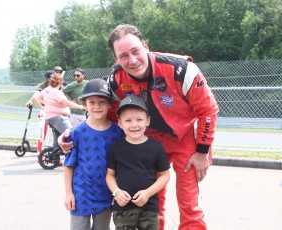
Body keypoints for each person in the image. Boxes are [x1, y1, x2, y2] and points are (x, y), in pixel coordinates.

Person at [59, 24, 219, 230]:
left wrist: (202, 151)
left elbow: (208, 110)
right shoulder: (116, 80)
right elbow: (103, 115)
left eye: (135, 51)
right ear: (116, 59)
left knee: (188, 200)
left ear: (145, 46)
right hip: (145, 142)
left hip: (183, 139)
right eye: (123, 56)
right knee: (152, 200)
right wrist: (71, 135)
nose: (132, 60)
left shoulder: (181, 70)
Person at [64, 79, 124, 230]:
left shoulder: (118, 133)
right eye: (92, 102)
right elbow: (68, 165)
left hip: (106, 194)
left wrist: (117, 191)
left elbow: (121, 165)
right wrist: (68, 193)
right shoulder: (76, 133)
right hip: (80, 195)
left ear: (110, 104)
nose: (97, 106)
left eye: (102, 102)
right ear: (84, 104)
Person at [106, 95, 170, 230]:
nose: (134, 125)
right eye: (128, 120)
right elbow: (110, 175)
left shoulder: (156, 147)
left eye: (139, 120)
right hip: (123, 207)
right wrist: (116, 192)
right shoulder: (115, 147)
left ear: (147, 121)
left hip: (149, 207)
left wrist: (148, 193)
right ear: (120, 123)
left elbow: (165, 175)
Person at [37, 72, 83, 151]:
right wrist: (81, 107)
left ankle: (53, 158)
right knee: (71, 134)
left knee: (57, 138)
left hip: (49, 117)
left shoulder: (47, 90)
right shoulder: (57, 92)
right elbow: (67, 103)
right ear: (61, 82)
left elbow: (38, 97)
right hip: (58, 117)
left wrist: (47, 105)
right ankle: (74, 154)